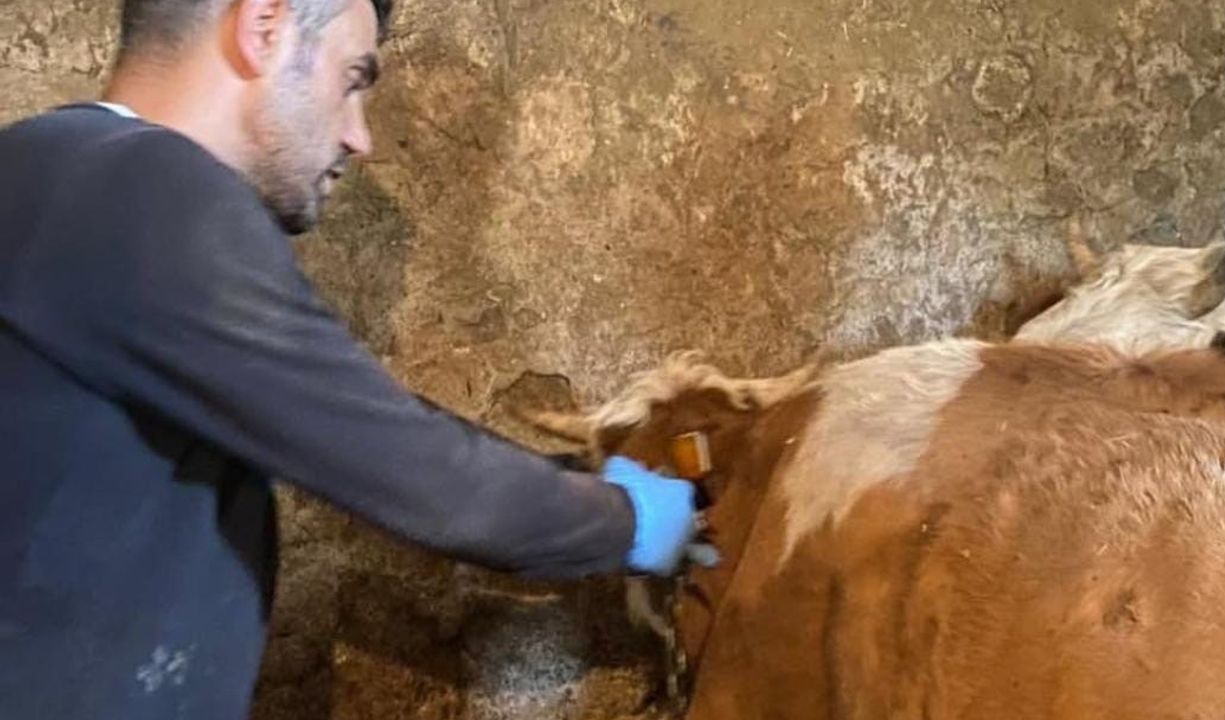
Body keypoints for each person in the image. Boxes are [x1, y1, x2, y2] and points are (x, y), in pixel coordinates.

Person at [0, 1, 707, 718]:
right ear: (264, 27)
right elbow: (419, 473)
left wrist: (575, 479)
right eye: (352, 79)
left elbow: (345, 418)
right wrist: (631, 520)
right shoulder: (151, 189)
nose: (359, 136)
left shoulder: (40, 166)